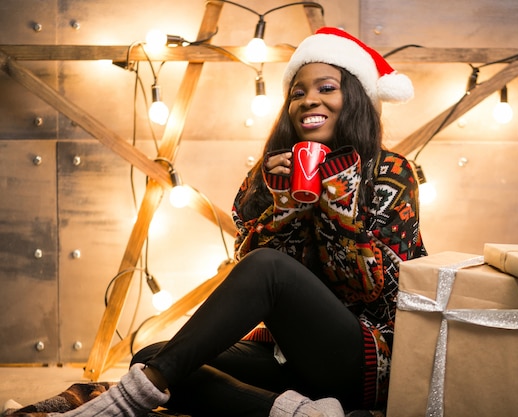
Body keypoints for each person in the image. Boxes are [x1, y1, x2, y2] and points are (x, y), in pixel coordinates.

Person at [47, 26, 427, 417]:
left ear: (356, 100)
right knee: (154, 357)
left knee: (259, 277)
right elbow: (250, 275)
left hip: (365, 361)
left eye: (326, 88)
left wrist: (334, 199)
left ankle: (126, 402)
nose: (309, 99)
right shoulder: (266, 177)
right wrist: (283, 203)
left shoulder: (391, 171)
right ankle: (302, 414)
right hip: (286, 357)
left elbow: (368, 288)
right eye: (298, 93)